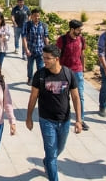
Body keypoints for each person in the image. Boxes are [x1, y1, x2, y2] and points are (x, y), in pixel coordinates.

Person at [26, 44, 84, 181]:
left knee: (59, 149)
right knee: (52, 154)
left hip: (64, 120)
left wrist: (79, 120)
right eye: (43, 57)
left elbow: (76, 97)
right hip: (46, 120)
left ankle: (47, 161)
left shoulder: (68, 74)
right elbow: (33, 97)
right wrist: (29, 117)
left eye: (47, 58)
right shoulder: (40, 75)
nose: (44, 60)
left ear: (56, 59)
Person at [57, 20, 89, 130]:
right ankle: (62, 116)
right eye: (78, 30)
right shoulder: (62, 40)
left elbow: (82, 55)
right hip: (65, 71)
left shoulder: (81, 39)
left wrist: (83, 70)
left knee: (79, 96)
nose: (80, 32)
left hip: (78, 71)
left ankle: (80, 119)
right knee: (63, 95)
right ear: (72, 29)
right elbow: (57, 55)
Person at [24, 7, 49, 84]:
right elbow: (24, 38)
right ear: (31, 16)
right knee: (30, 66)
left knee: (41, 68)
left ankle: (40, 81)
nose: (37, 17)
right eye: (35, 16)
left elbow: (46, 37)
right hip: (30, 50)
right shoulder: (27, 25)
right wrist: (26, 49)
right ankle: (30, 78)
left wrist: (47, 50)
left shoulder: (44, 25)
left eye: (38, 16)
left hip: (40, 51)